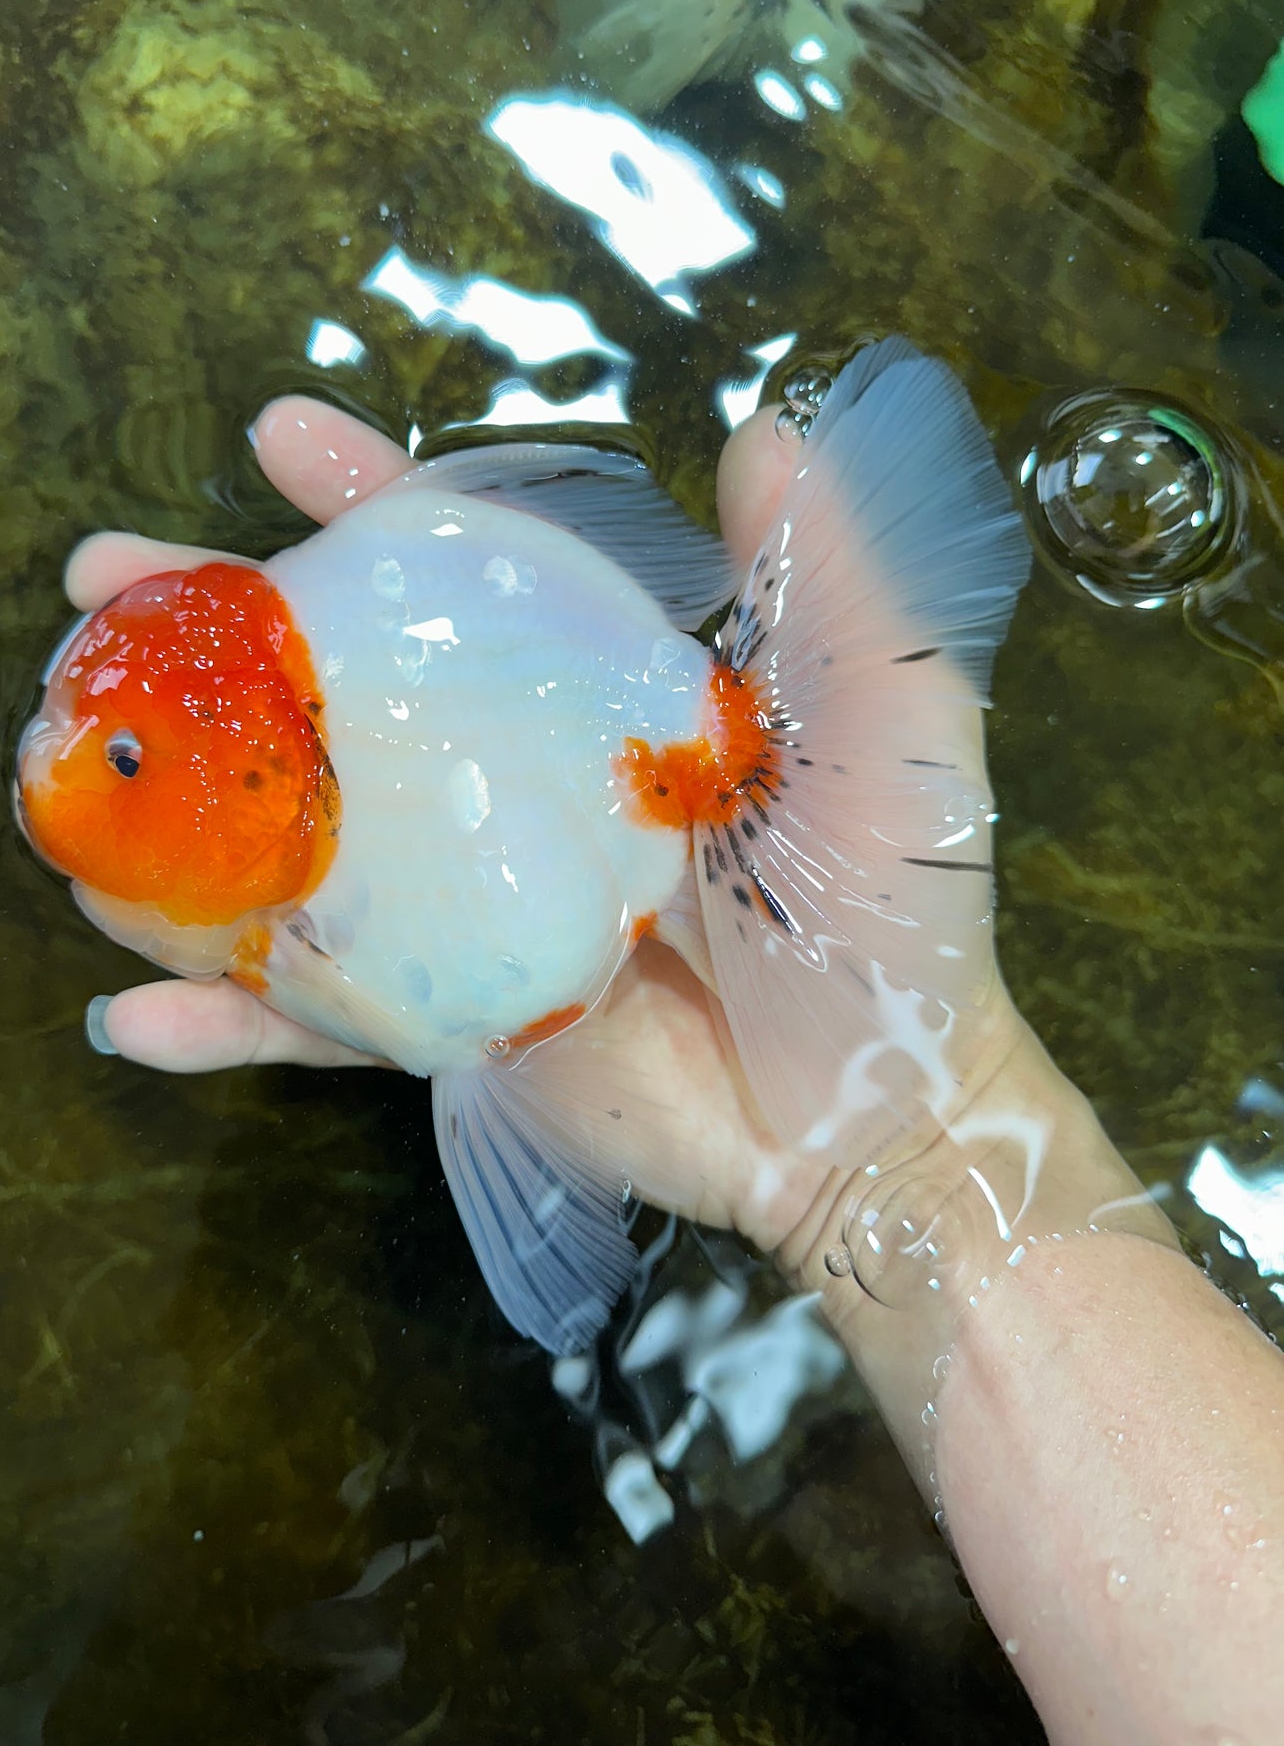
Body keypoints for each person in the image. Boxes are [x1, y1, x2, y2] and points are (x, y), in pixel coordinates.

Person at [70, 391, 1284, 1746]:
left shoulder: (406, 802)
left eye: (121, 758)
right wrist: (916, 1143)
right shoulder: (291, 820)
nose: (62, 776)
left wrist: (911, 1128)